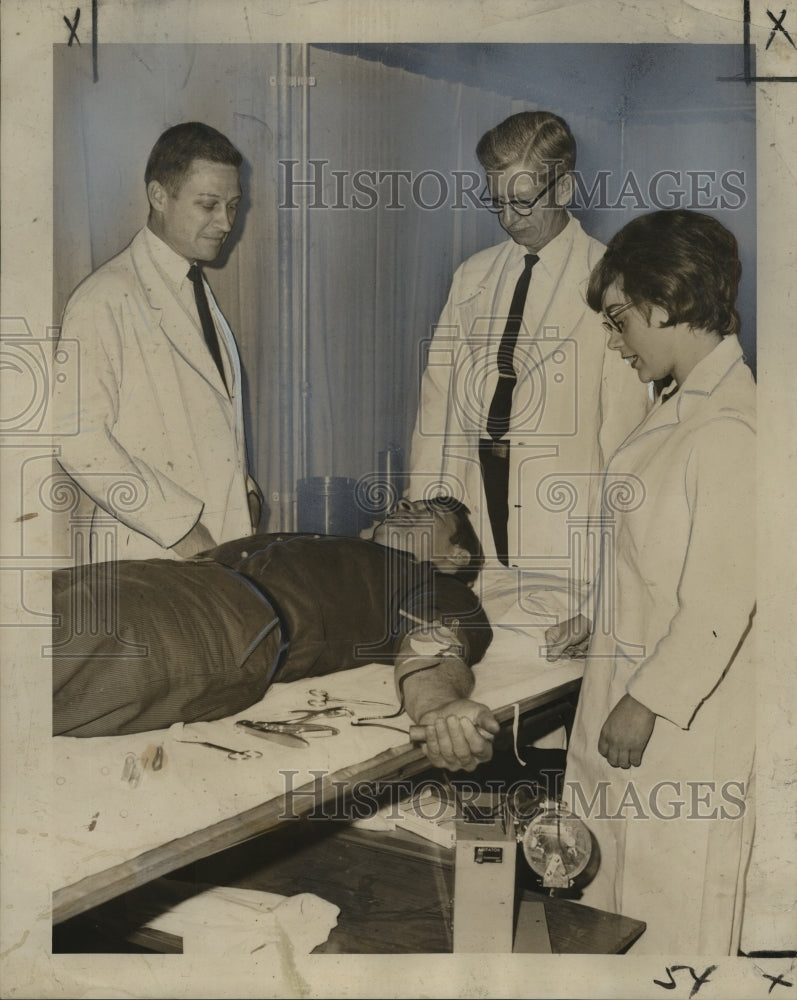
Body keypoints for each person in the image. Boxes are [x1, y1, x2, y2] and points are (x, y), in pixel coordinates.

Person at [546, 209, 756, 955]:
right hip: (634, 696)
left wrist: (646, 699)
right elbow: (660, 560)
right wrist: (601, 616)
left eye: (619, 319)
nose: (615, 339)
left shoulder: (730, 426)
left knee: (669, 920)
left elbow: (726, 597)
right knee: (613, 907)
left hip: (677, 724)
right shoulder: (677, 408)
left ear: (666, 303)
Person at [52, 497, 499, 773]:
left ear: (456, 555)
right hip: (158, 576)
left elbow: (437, 638)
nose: (402, 508)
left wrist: (439, 708)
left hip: (219, 618)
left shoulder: (440, 586)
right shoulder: (349, 548)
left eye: (423, 513)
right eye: (404, 505)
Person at [408, 110, 649, 601]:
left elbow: (625, 434)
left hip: (568, 534)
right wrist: (429, 524)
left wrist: (616, 570)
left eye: (521, 202)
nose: (508, 219)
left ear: (563, 189)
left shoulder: (611, 277)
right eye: (496, 203)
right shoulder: (472, 276)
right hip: (475, 514)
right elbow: (438, 406)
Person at [52, 122, 262, 564]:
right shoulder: (105, 297)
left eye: (233, 205)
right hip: (152, 556)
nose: (225, 222)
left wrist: (246, 493)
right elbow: (76, 438)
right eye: (208, 205)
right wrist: (180, 527)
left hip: (216, 554)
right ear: (159, 197)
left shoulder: (193, 286)